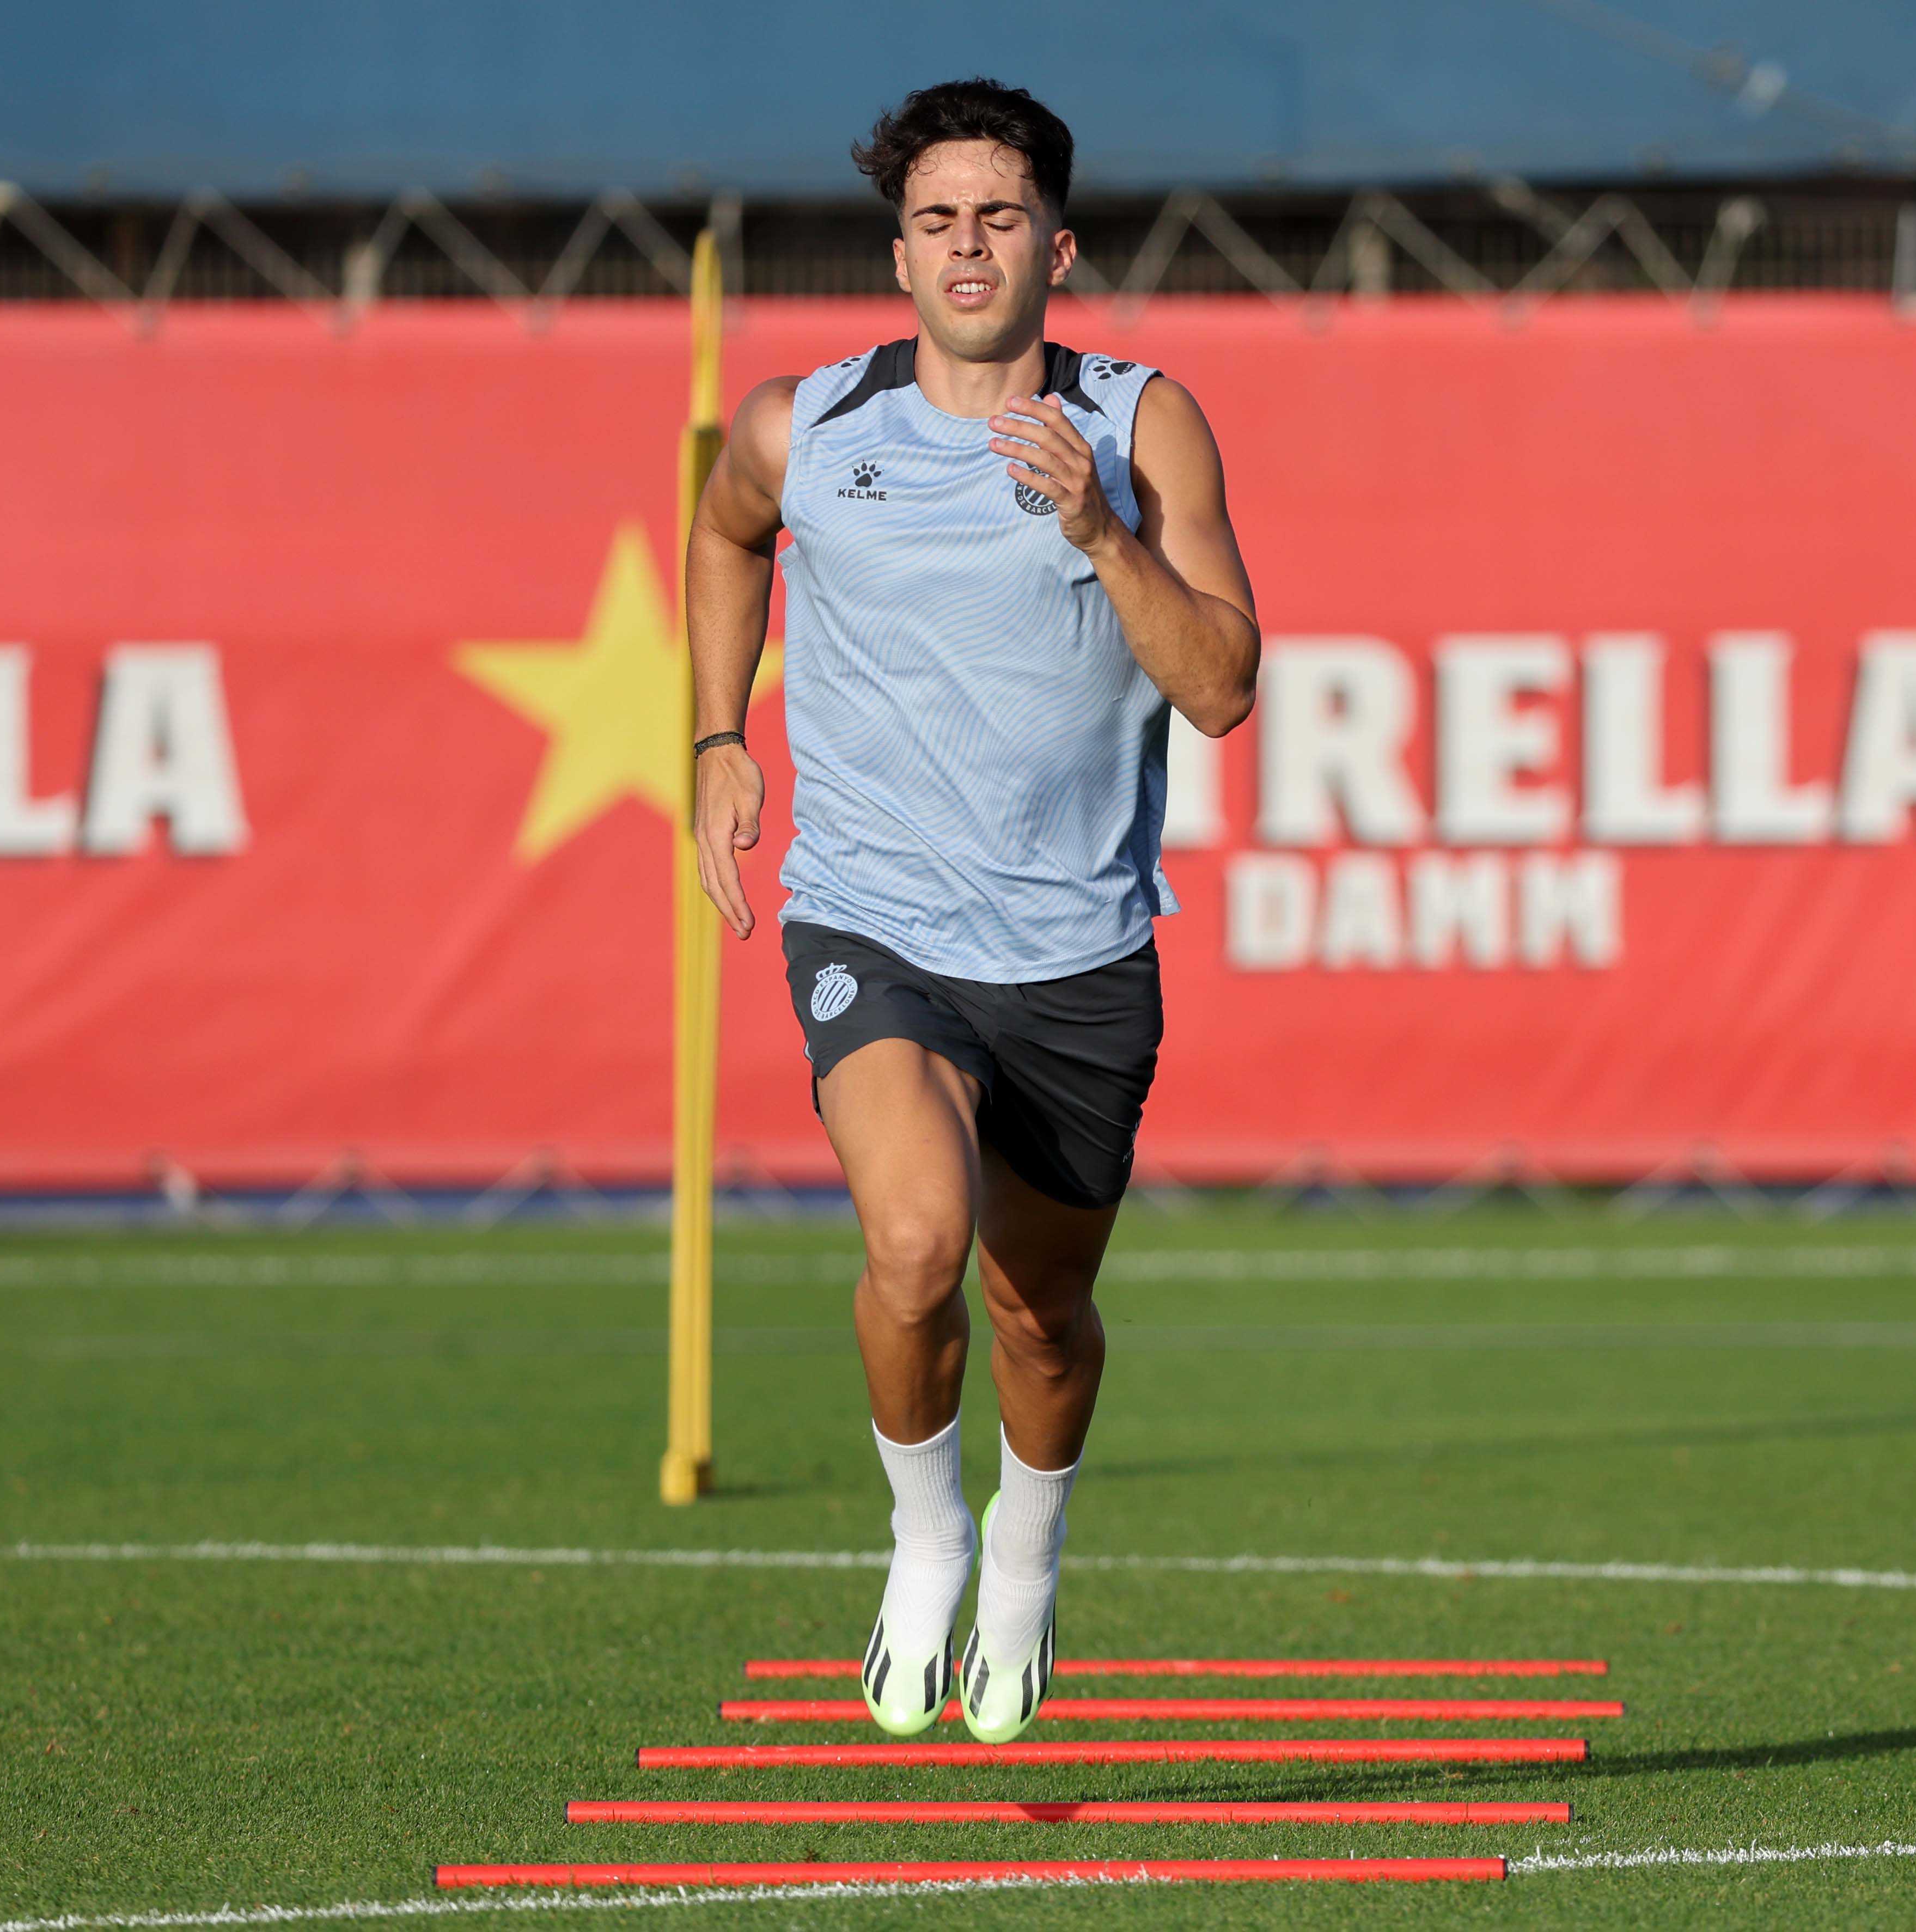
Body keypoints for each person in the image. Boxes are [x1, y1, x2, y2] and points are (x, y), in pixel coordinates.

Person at [681, 77, 1259, 1743]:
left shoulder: (1144, 424)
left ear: (1056, 249)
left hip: (1079, 952)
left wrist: (1100, 528)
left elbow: (1222, 687)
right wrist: (718, 734)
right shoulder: (807, 426)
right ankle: (927, 1532)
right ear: (899, 254)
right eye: (937, 220)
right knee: (916, 1241)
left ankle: (1027, 1542)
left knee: (1040, 1314)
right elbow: (725, 533)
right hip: (873, 919)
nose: (968, 245)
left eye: (1000, 216)